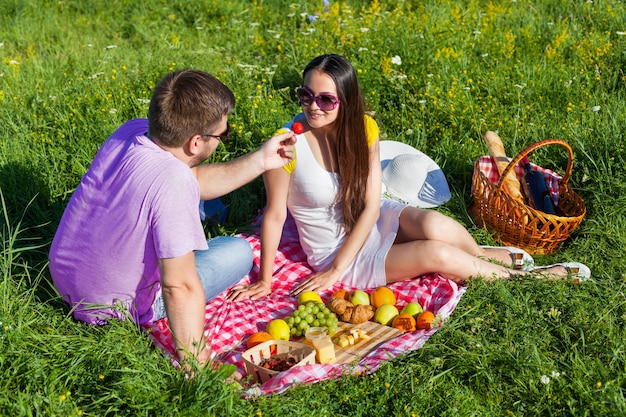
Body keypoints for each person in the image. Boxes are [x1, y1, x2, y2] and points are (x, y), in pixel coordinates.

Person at [226, 54, 589, 302]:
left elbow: (370, 206)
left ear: (347, 102)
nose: (312, 106)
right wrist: (267, 279)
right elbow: (275, 215)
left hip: (369, 219)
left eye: (326, 99)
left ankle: (482, 255)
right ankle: (533, 278)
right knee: (434, 253)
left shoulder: (364, 129)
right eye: (306, 95)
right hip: (336, 254)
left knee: (434, 223)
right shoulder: (287, 145)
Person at [49, 69, 296, 366]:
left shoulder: (132, 131)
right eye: (223, 134)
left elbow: (189, 180)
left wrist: (261, 160)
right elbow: (178, 286)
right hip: (112, 308)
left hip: (64, 280)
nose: (223, 139)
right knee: (239, 252)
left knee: (208, 204)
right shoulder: (172, 187)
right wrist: (197, 365)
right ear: (195, 143)